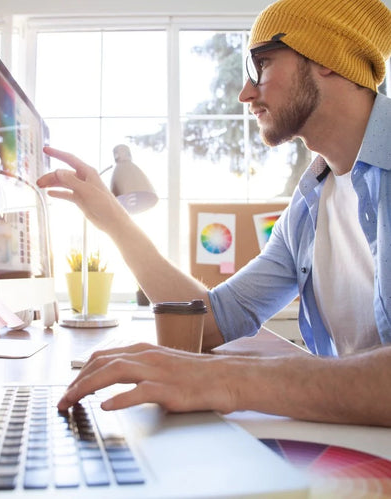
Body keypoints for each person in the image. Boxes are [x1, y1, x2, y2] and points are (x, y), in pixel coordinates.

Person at [37, 0, 391, 427]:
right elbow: (209, 323)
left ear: (328, 59)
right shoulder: (309, 206)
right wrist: (112, 218)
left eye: (261, 63)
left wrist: (229, 380)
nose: (245, 92)